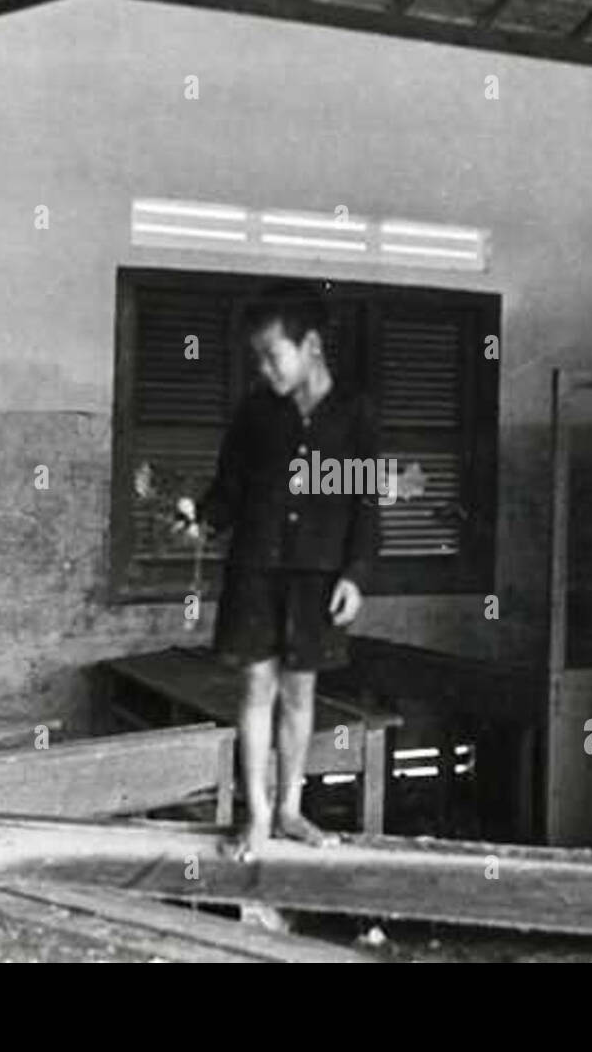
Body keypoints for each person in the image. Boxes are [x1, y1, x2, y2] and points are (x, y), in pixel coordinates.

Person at [174, 288, 379, 862]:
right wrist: (203, 521)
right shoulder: (254, 412)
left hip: (317, 578)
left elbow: (365, 504)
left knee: (299, 693)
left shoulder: (356, 414)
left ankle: (291, 808)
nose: (264, 369)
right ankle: (259, 815)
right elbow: (228, 490)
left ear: (310, 346)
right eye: (257, 360)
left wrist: (356, 574)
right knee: (256, 688)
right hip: (255, 573)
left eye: (272, 356)